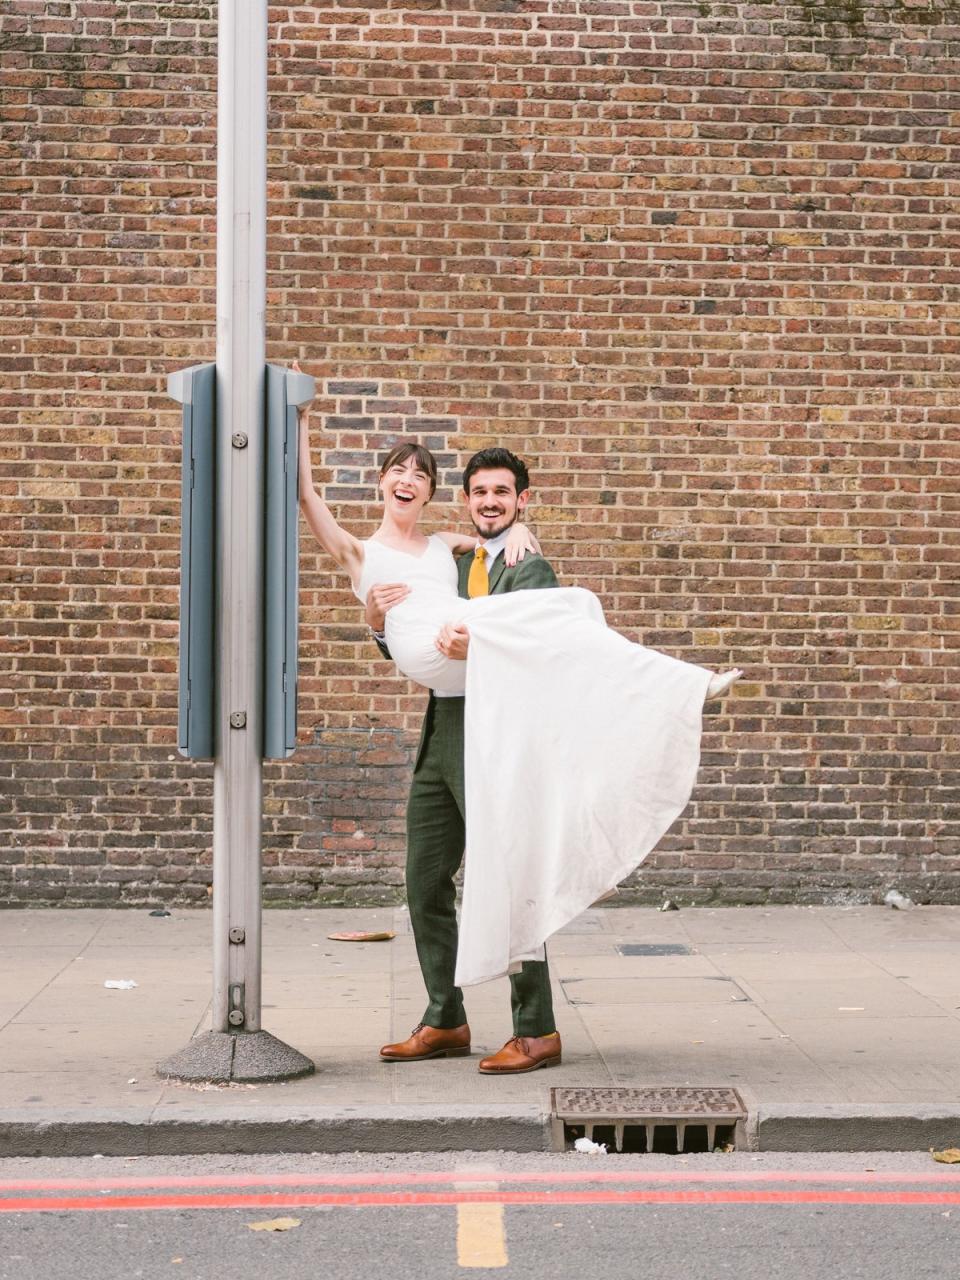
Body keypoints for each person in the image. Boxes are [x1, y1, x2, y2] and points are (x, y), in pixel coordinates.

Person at [297, 396, 741, 1074]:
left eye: (502, 492)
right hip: (441, 728)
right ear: (465, 501)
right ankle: (443, 1017)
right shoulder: (453, 555)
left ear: (522, 500)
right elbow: (408, 631)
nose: (490, 502)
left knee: (508, 875)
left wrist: (479, 644)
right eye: (480, 492)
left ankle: (535, 1028)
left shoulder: (526, 564)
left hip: (499, 730)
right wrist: (379, 625)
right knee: (423, 880)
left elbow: (550, 643)